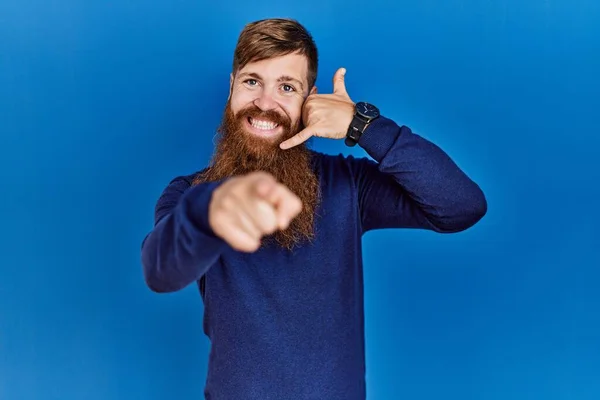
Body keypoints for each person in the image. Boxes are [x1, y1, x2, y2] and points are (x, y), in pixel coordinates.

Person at [140, 17, 487, 400]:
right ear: (231, 87)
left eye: (286, 87)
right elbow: (160, 270)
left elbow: (461, 206)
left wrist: (365, 126)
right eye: (252, 81)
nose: (265, 103)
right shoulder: (191, 192)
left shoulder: (349, 185)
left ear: (310, 100)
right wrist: (207, 211)